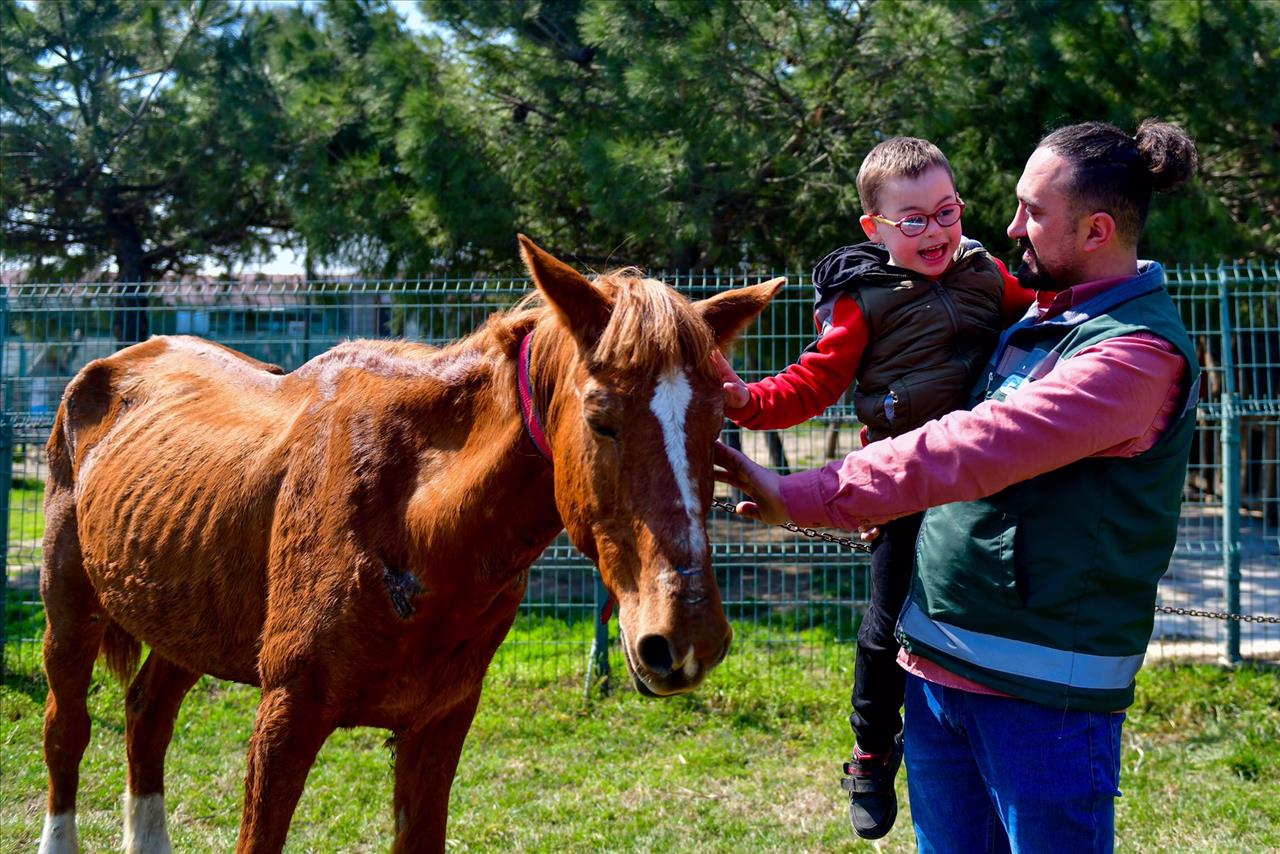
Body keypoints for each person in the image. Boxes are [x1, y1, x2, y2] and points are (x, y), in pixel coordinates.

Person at [713, 118, 1200, 853]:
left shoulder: (1131, 355)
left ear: (1097, 229)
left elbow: (966, 448)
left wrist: (807, 493)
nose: (1009, 227)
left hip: (1040, 704)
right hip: (937, 668)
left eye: (1032, 212)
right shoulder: (1034, 320)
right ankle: (869, 753)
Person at [714, 136, 1033, 839]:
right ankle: (869, 750)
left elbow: (1041, 313)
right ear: (874, 228)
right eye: (911, 219)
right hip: (904, 484)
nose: (936, 232)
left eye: (946, 212)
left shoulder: (986, 273)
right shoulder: (865, 299)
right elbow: (815, 380)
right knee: (886, 627)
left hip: (986, 478)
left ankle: (1000, 737)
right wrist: (746, 402)